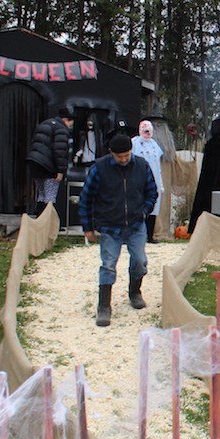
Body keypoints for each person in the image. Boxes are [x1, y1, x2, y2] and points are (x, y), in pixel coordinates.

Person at [78, 133, 158, 327]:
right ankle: (104, 306)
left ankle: (135, 292)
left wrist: (145, 212)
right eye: (119, 156)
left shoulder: (142, 165)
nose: (123, 159)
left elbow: (152, 192)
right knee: (108, 264)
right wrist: (88, 227)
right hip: (109, 225)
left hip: (136, 224)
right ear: (111, 153)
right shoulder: (99, 168)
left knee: (139, 261)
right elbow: (85, 199)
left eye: (127, 155)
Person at [26, 107, 75, 216]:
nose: (70, 126)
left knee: (41, 195)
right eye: (71, 124)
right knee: (50, 197)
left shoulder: (45, 123)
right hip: (49, 166)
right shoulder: (61, 129)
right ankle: (47, 223)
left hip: (35, 163)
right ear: (67, 120)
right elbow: (60, 150)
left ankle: (37, 220)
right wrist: (60, 170)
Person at [131, 120, 165, 242]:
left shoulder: (154, 144)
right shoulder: (134, 143)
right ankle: (134, 235)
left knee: (153, 207)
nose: (147, 133)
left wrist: (160, 183)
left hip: (154, 179)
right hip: (138, 179)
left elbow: (158, 165)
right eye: (145, 130)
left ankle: (149, 236)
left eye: (149, 130)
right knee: (137, 206)